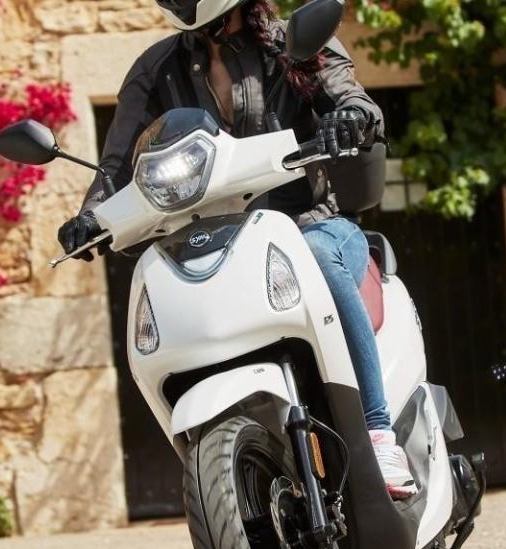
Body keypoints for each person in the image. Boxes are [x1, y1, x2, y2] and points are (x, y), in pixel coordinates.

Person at [57, 0, 417, 498]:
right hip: (219, 239)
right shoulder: (156, 70)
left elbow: (354, 100)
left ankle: (378, 433)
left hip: (308, 224)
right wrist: (91, 215)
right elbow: (116, 166)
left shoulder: (290, 43)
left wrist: (349, 118)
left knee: (316, 256)